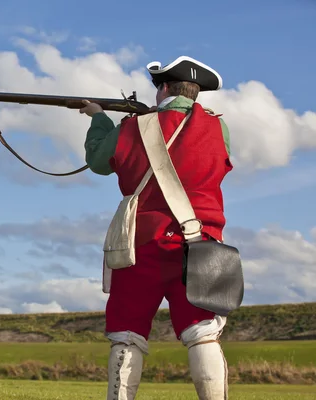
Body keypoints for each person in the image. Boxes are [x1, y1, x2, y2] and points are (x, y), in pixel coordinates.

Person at [79, 56, 233, 400]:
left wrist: (99, 118)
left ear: (163, 88)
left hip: (140, 244)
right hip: (202, 244)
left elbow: (98, 162)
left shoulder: (135, 126)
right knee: (203, 333)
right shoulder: (218, 127)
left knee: (127, 333)